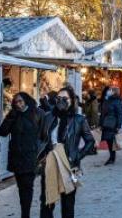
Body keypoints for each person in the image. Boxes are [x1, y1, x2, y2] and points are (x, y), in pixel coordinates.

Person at [39, 86, 94, 218]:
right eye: (58, 98)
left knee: (68, 203)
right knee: (47, 202)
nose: (61, 101)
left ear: (72, 100)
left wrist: (77, 156)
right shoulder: (48, 117)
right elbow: (41, 138)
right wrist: (42, 156)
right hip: (50, 163)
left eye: (65, 98)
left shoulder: (79, 119)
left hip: (70, 165)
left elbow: (90, 141)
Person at [0, 92, 48, 218]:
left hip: (32, 157)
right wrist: (11, 116)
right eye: (16, 102)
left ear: (26, 100)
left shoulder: (38, 113)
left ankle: (25, 214)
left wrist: (40, 153)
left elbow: (44, 135)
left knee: (27, 186)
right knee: (21, 187)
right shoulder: (13, 115)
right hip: (17, 157)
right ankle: (25, 212)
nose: (18, 104)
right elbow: (2, 132)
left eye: (20, 101)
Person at [99, 86, 122, 165]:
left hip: (112, 123)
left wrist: (119, 126)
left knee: (111, 140)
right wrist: (100, 123)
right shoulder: (107, 99)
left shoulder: (116, 101)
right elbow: (103, 112)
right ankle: (112, 157)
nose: (109, 91)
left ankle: (112, 157)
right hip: (106, 123)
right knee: (108, 140)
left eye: (111, 90)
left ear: (114, 92)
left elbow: (119, 114)